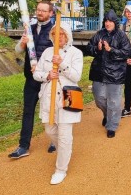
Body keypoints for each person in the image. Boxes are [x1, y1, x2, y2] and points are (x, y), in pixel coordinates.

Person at [32, 23, 83, 185]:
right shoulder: (47, 52)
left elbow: (76, 76)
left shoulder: (76, 53)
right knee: (49, 130)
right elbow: (36, 74)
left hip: (69, 95)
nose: (58, 37)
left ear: (67, 36)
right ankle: (65, 149)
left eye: (62, 34)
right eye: (55, 34)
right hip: (49, 95)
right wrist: (47, 75)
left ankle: (61, 169)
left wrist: (61, 63)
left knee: (65, 135)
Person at [9, 0, 55, 159]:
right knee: (28, 111)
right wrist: (23, 43)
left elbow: (60, 53)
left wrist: (44, 68)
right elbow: (18, 51)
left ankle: (55, 140)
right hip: (31, 79)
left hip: (48, 79)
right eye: (38, 10)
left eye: (44, 10)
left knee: (51, 110)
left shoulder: (55, 31)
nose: (40, 13)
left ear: (51, 13)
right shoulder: (30, 29)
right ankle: (23, 146)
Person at [87, 10, 131, 138]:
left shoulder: (121, 35)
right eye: (106, 21)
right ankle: (107, 115)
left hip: (116, 73)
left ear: (115, 22)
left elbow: (126, 52)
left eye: (110, 21)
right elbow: (89, 48)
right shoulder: (99, 34)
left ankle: (112, 125)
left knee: (114, 101)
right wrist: (97, 48)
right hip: (99, 72)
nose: (107, 23)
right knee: (99, 98)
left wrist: (111, 50)